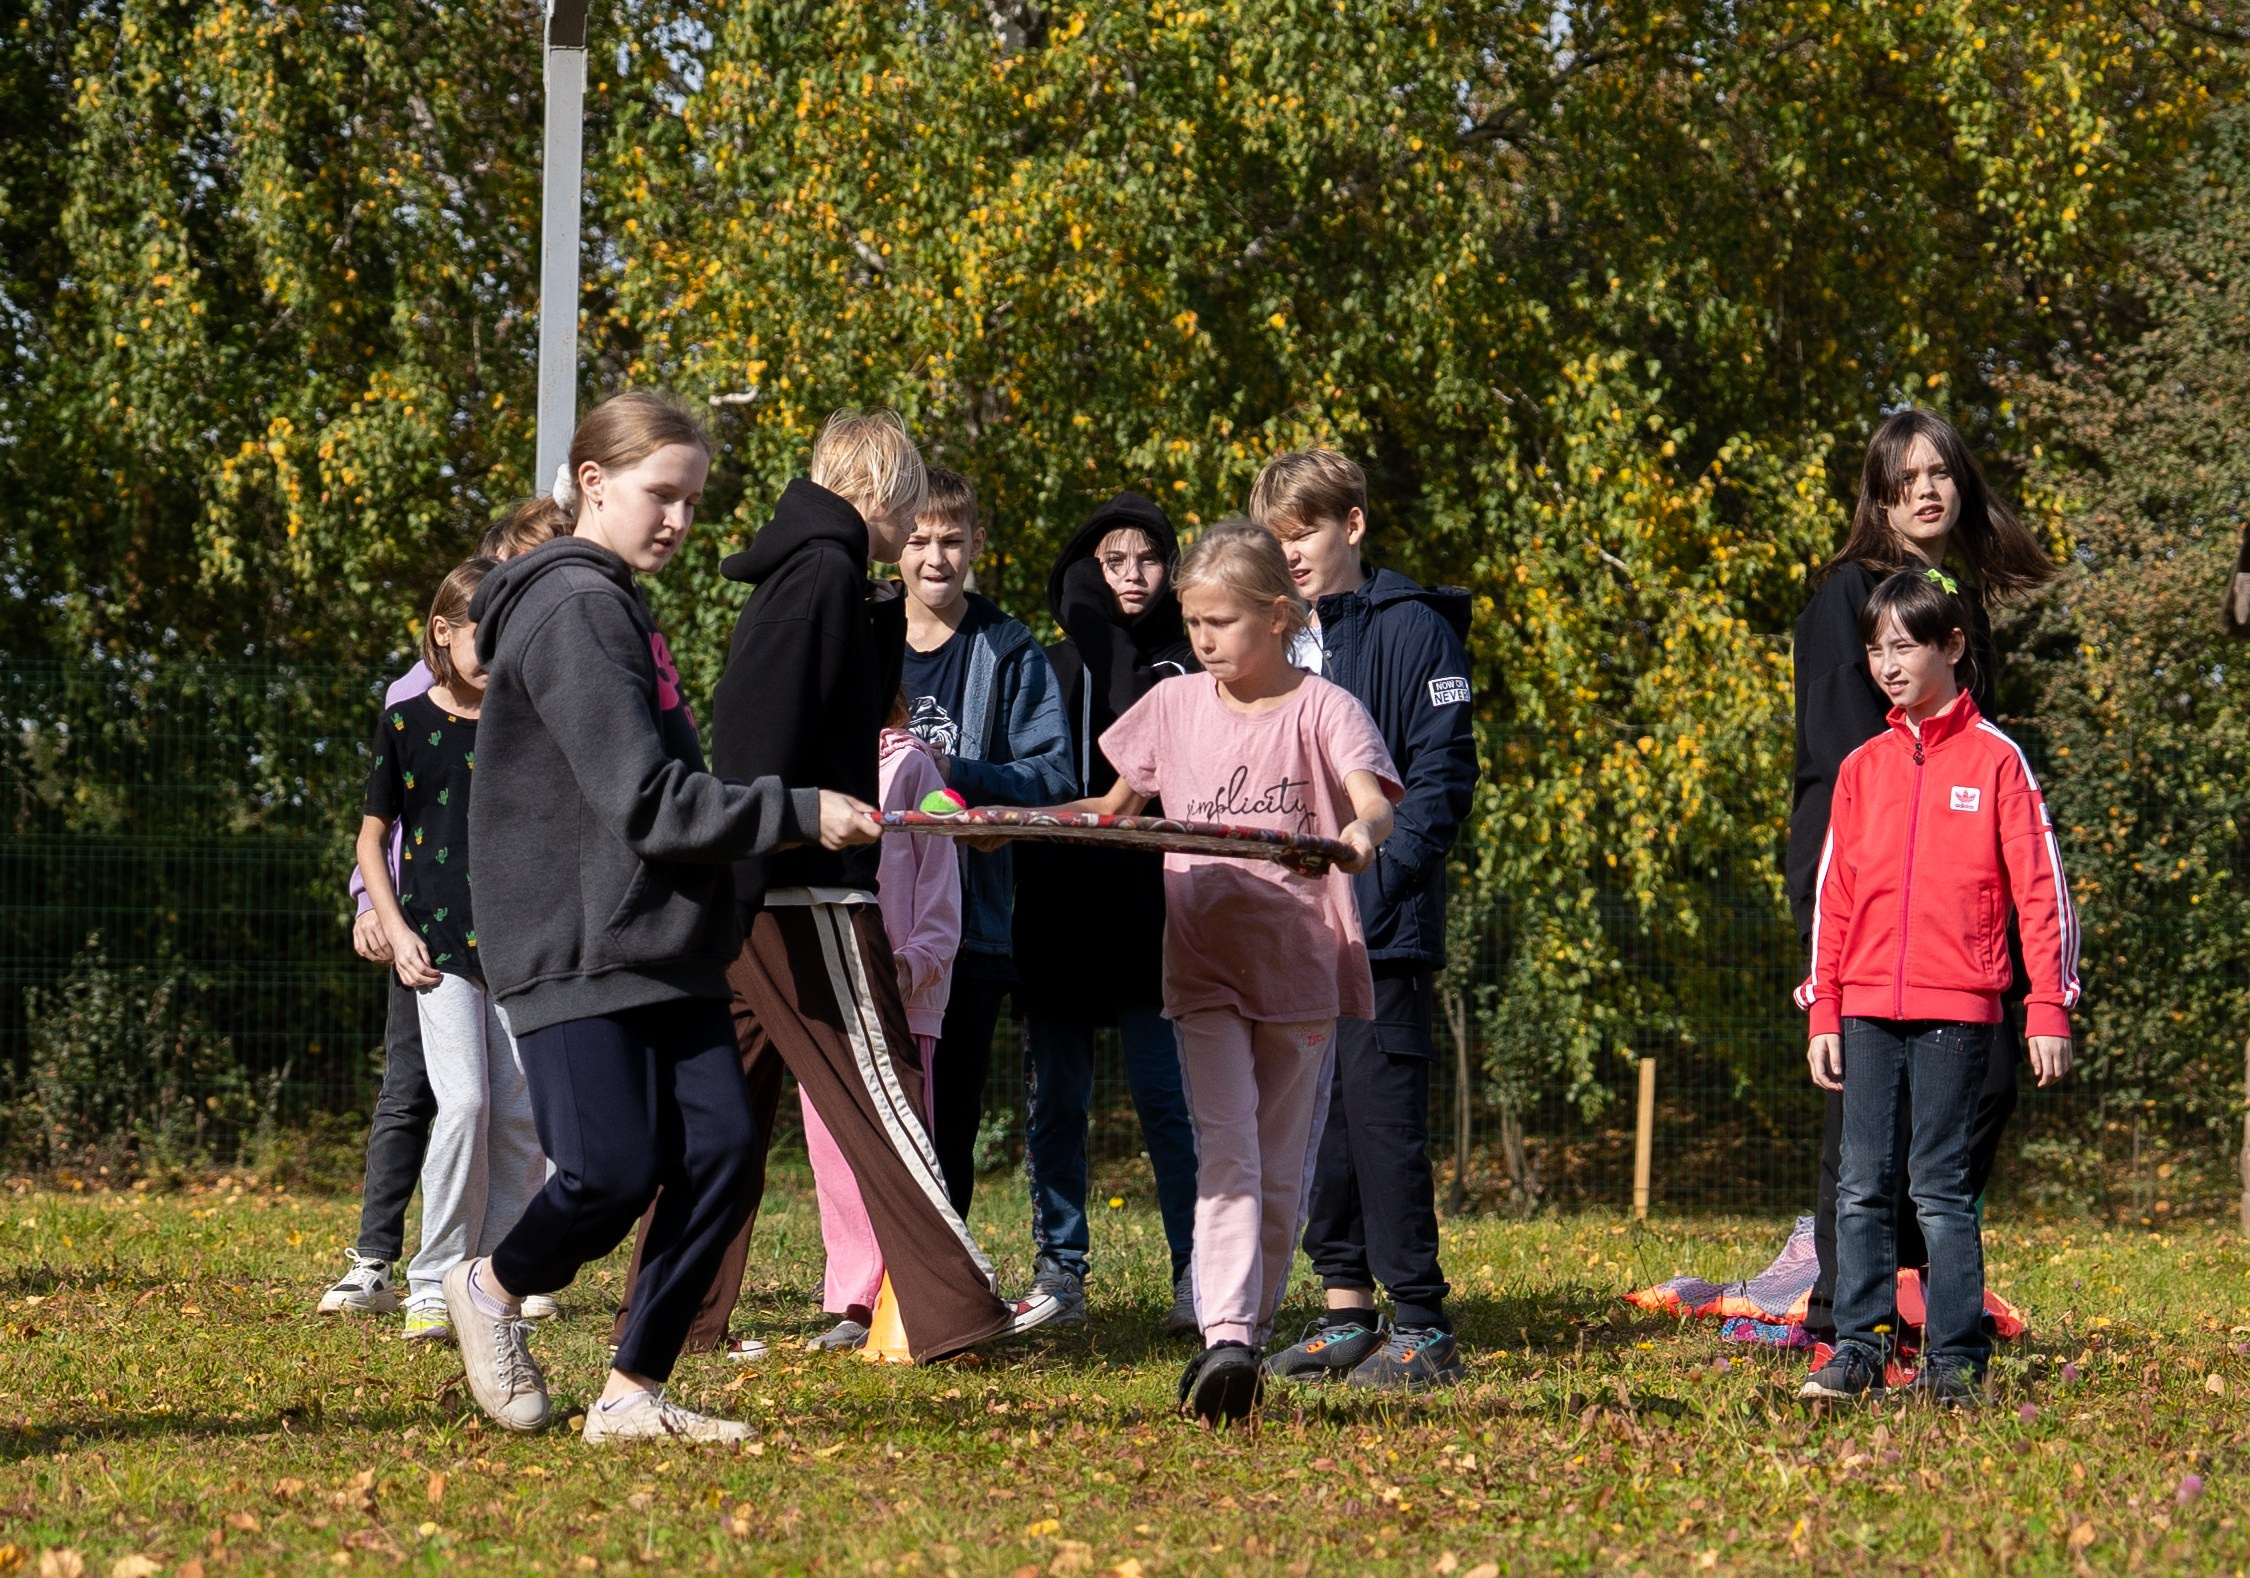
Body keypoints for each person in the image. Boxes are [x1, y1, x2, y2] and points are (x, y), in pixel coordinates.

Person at [444, 390, 879, 1443]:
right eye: (660, 495)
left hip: (658, 934)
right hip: (577, 941)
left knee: (724, 1154)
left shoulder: (620, 604)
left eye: (692, 498)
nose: (680, 520)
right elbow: (647, 801)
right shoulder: (571, 609)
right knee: (609, 1173)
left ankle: (633, 1394)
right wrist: (797, 813)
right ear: (592, 483)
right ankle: (493, 1288)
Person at [609, 411, 1059, 1366]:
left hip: (757, 890)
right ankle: (961, 1312)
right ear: (881, 494)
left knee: (720, 1118)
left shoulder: (818, 579)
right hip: (803, 888)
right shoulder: (817, 576)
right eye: (910, 505)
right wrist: (797, 821)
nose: (914, 530)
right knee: (888, 1097)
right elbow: (758, 729)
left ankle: (674, 1316)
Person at [1057, 520, 1402, 1426]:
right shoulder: (1172, 708)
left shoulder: (1324, 708)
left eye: (1221, 623)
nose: (1203, 640)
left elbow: (1371, 801)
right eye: (1194, 621)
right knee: (1228, 1155)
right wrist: (1007, 813)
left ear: (1279, 616)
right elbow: (1113, 806)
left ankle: (1241, 1329)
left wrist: (1361, 836)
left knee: (1280, 1166)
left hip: (1301, 970)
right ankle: (1228, 1338)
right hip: (1203, 965)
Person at [1788, 410, 2059, 1364]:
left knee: (1977, 1092)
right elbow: (1835, 761)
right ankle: (1842, 1323)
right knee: (1861, 1132)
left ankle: (1908, 1292)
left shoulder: (1953, 598)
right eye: (1905, 480)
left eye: (1941, 473)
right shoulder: (1847, 597)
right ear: (1878, 495)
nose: (1927, 492)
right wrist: (1829, 936)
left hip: (1959, 899)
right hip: (1861, 892)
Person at [1245, 450, 1479, 1392]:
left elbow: (1442, 779)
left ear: (1353, 523)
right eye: (1274, 536)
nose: (1287, 551)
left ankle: (1421, 1321)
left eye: (1302, 531)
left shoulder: (1416, 628)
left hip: (1385, 929)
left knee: (1383, 1123)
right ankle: (1345, 1308)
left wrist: (1377, 876)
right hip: (1293, 932)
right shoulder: (1272, 636)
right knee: (1324, 1130)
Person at [320, 496, 565, 1324]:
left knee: (519, 1112)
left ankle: (494, 1282)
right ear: (444, 634)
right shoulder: (406, 715)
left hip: (517, 947)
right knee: (440, 1101)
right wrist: (382, 919)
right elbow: (374, 837)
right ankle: (412, 1274)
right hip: (432, 946)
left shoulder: (526, 714)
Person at [1010, 492, 1202, 1335]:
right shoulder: (1047, 662)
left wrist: (1104, 632)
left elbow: (1148, 748)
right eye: (1112, 561)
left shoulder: (1186, 664)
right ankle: (1062, 1270)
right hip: (1057, 908)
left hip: (1154, 914)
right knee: (1058, 1098)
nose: (1131, 575)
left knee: (1167, 1098)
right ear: (1085, 569)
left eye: (1148, 558)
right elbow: (1037, 776)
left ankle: (1197, 1268)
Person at [895, 468, 1075, 1219]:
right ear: (892, 544)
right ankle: (863, 1287)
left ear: (977, 544)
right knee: (877, 1110)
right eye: (917, 539)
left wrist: (956, 773)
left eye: (951, 540)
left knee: (951, 1116)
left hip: (970, 926)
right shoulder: (862, 632)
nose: (934, 557)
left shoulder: (1008, 649)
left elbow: (1055, 773)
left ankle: (942, 1290)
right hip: (872, 913)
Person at [797, 698, 963, 1351]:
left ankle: (903, 1291)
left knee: (901, 1145)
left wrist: (913, 965)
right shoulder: (809, 769)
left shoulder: (913, 766)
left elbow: (940, 885)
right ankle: (853, 1298)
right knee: (832, 1149)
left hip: (896, 993)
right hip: (823, 991)